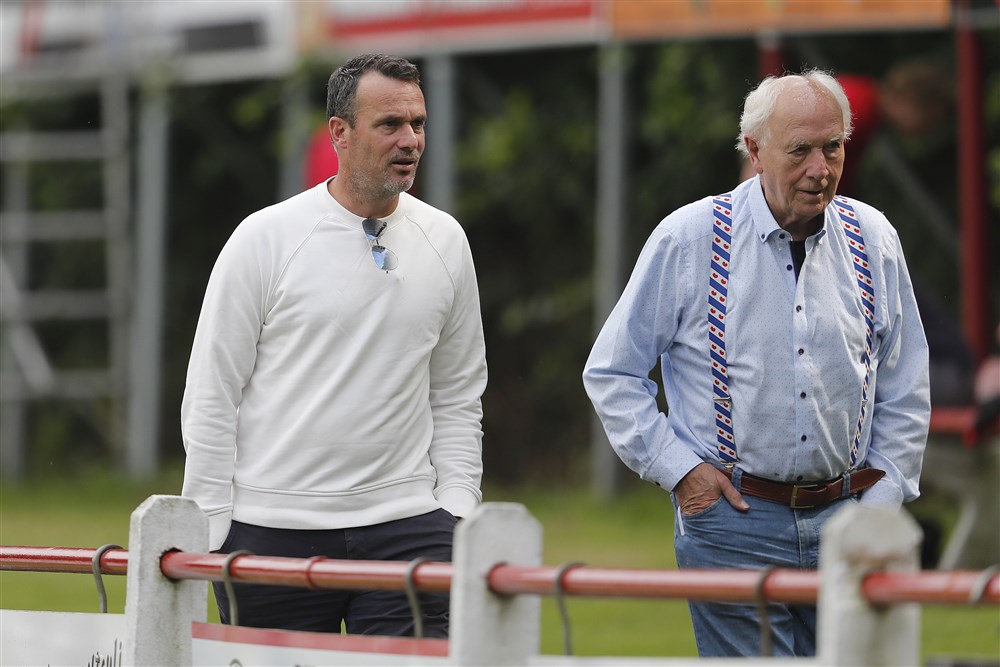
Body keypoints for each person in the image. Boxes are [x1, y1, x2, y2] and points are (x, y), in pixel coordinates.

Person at [583, 70, 930, 657]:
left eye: (834, 147)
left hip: (852, 521)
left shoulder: (874, 238)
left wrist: (884, 496)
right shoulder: (689, 238)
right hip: (732, 525)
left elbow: (904, 381)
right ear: (755, 150)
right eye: (800, 151)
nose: (820, 169)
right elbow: (613, 372)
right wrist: (680, 471)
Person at [181, 53, 488, 638]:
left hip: (408, 527)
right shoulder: (263, 238)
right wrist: (213, 526)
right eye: (390, 124)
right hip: (270, 531)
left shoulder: (446, 240)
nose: (411, 141)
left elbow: (457, 391)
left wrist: (456, 508)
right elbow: (212, 392)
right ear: (339, 133)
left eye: (418, 124)